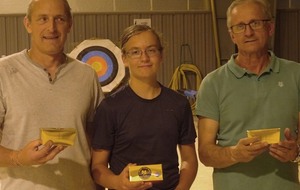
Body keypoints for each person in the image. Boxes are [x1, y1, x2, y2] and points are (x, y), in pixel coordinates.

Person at [195, 0, 300, 189]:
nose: (248, 32)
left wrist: (297, 152)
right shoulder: (213, 84)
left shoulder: (296, 75)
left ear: (270, 27)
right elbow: (205, 153)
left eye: (255, 23)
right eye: (240, 26)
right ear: (231, 35)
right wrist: (234, 154)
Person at [0, 0, 104, 189]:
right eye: (43, 19)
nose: (51, 27)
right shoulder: (3, 72)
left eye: (59, 19)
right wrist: (18, 158)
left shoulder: (87, 75)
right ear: (28, 24)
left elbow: (96, 140)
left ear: (70, 24)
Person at [91, 24, 198, 190]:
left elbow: (189, 159)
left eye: (151, 50)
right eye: (135, 52)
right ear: (124, 59)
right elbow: (97, 167)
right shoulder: (110, 108)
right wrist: (118, 183)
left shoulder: (179, 104)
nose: (144, 58)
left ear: (161, 55)